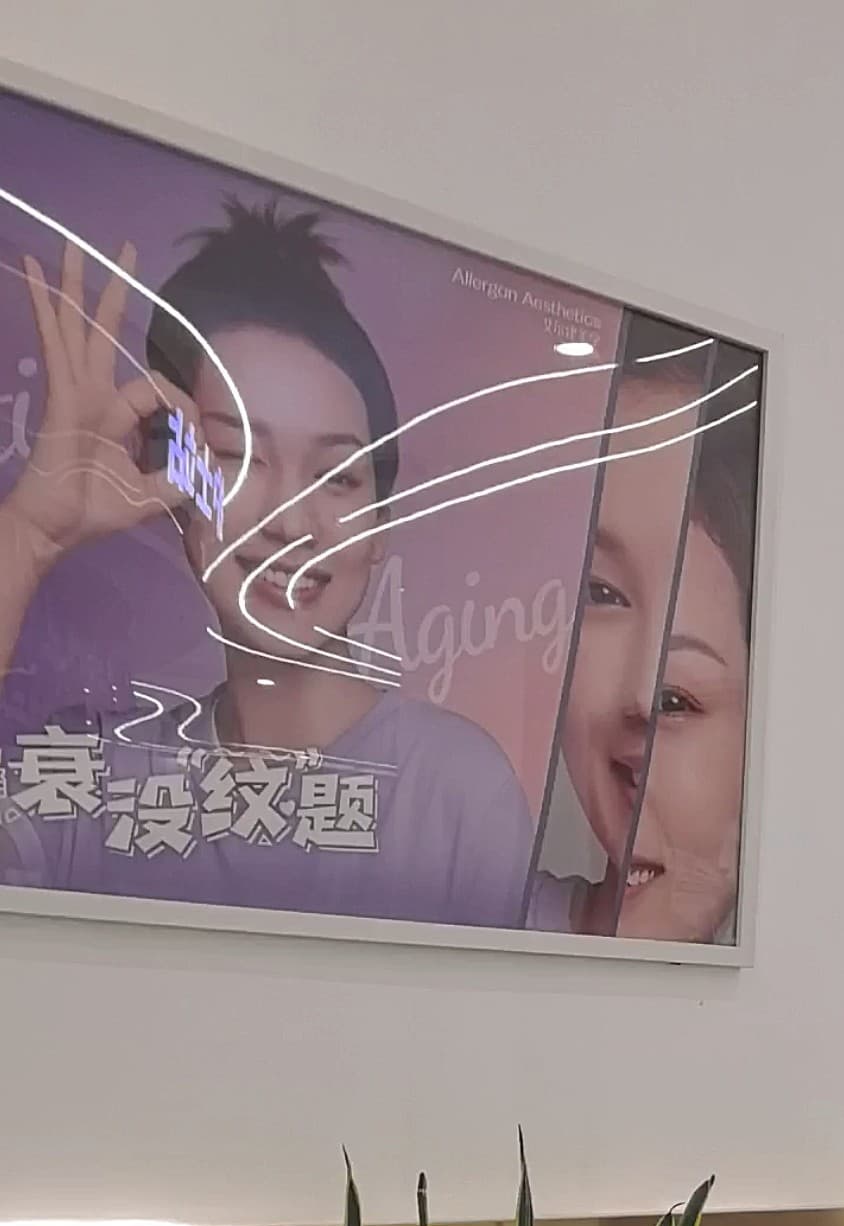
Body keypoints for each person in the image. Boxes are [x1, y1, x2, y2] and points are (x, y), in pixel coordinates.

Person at [0, 202, 534, 927]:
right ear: (177, 484)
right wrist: (29, 535)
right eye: (238, 456)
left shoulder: (455, 793)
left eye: (337, 475)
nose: (290, 520)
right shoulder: (93, 770)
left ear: (381, 523)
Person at [526, 318, 758, 945]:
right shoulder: (458, 913)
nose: (638, 696)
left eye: (682, 701)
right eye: (599, 593)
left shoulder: (808, 970)